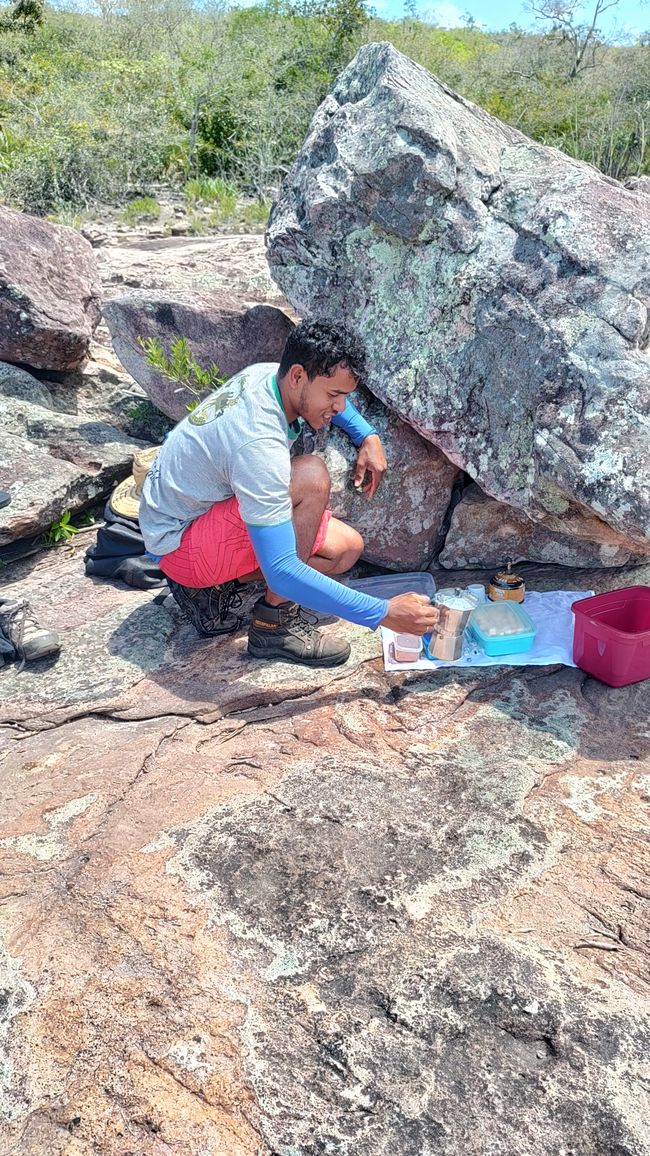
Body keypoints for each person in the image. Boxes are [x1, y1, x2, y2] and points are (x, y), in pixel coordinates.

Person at [139, 320, 439, 667]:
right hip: (180, 545)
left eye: (345, 396)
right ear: (298, 376)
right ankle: (272, 625)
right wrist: (383, 613)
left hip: (195, 517)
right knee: (310, 475)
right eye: (333, 396)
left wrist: (366, 435)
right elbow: (281, 570)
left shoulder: (269, 376)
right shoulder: (258, 443)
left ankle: (219, 586)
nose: (340, 407)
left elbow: (326, 396)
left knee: (344, 551)